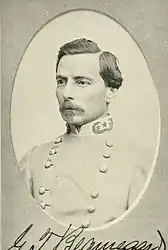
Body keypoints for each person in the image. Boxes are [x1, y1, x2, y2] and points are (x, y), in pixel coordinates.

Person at [20, 38, 147, 229]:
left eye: (81, 82)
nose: (67, 93)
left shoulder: (137, 162)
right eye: (61, 81)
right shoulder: (33, 160)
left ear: (111, 91)